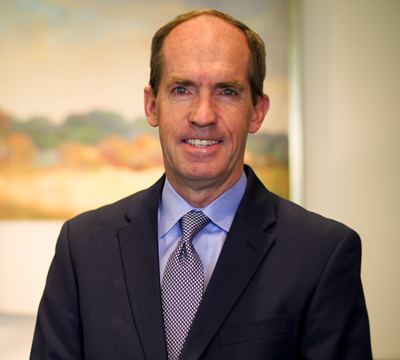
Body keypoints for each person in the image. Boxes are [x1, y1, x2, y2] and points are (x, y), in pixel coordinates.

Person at [30, 9, 372, 360]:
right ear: (152, 106)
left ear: (257, 111)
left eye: (227, 91)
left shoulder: (322, 254)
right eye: (182, 89)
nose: (203, 115)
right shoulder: (83, 246)